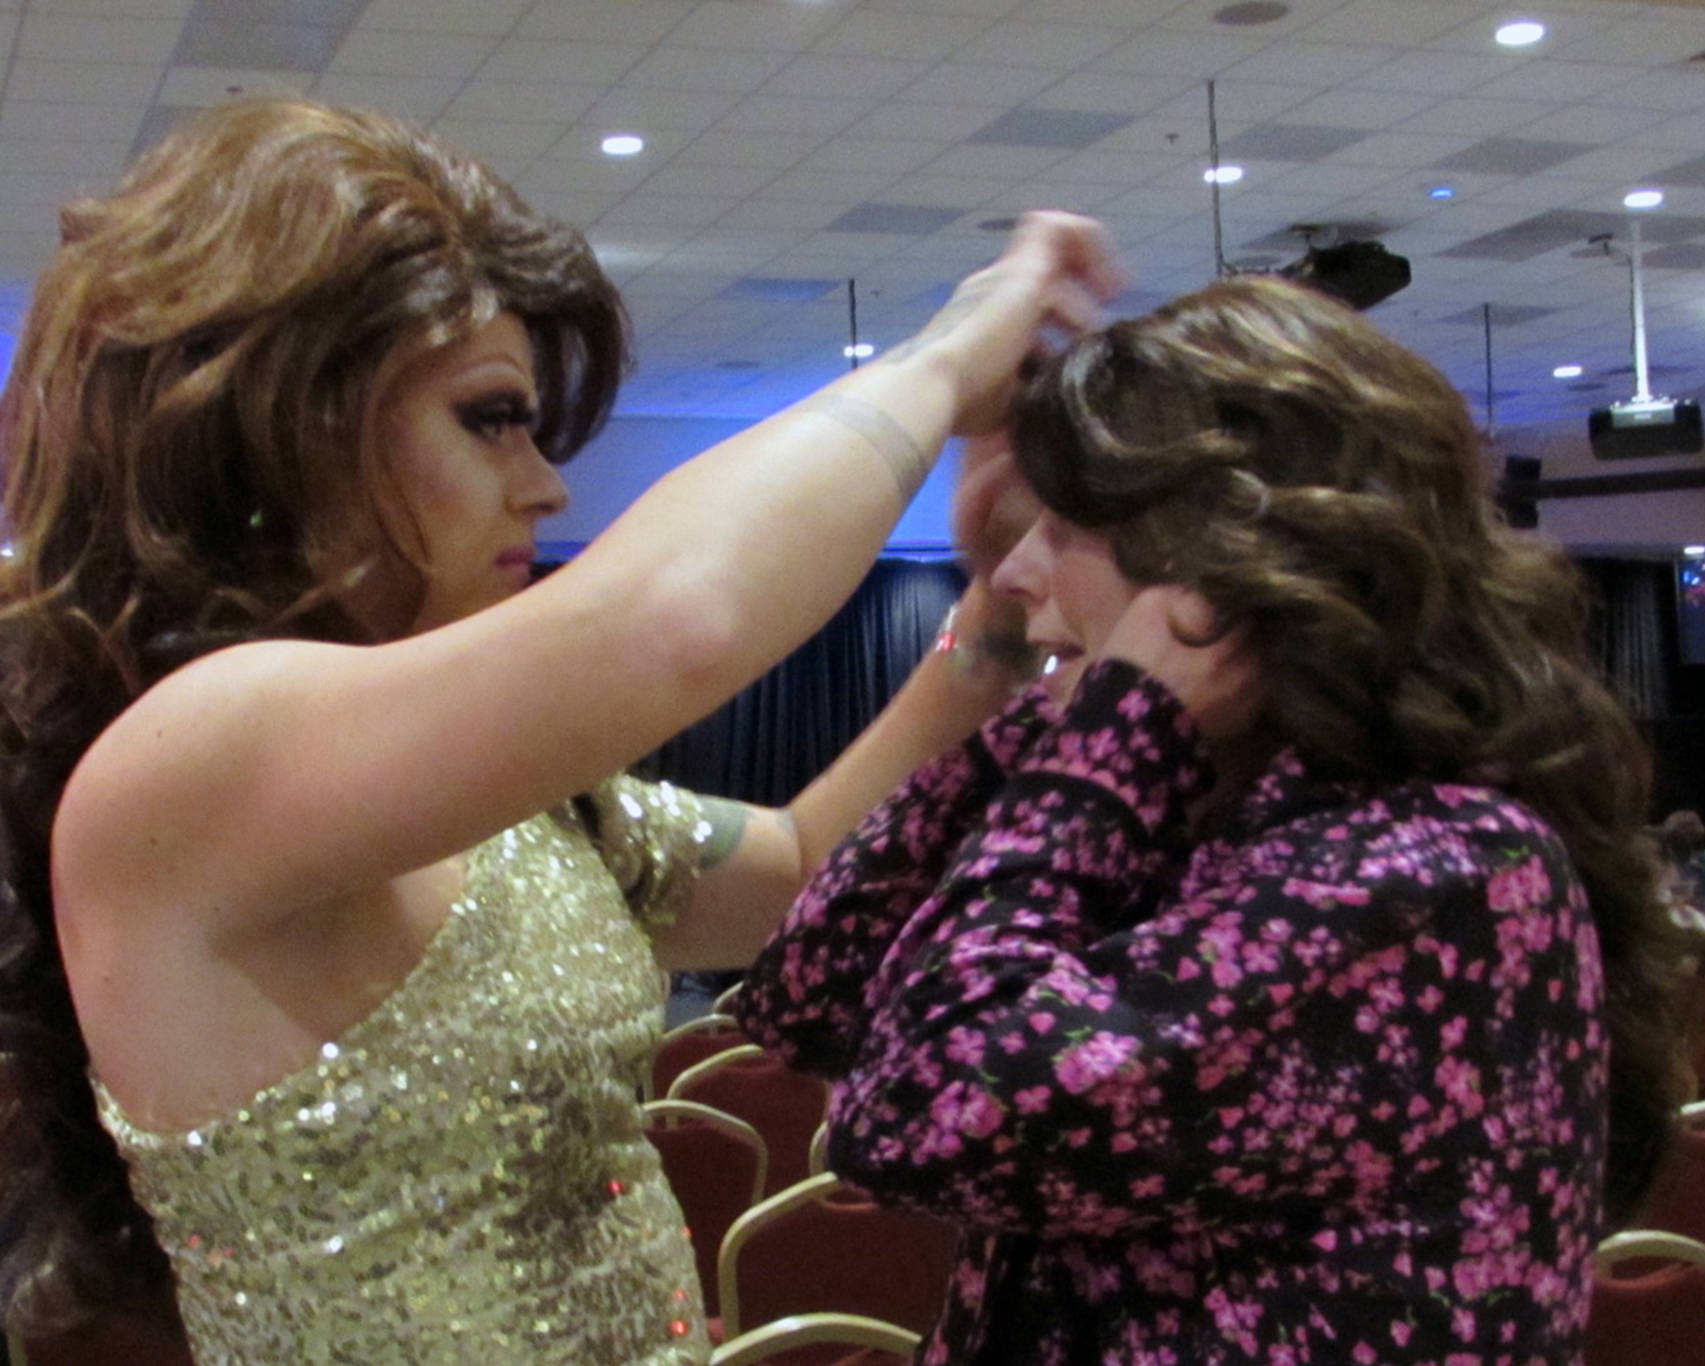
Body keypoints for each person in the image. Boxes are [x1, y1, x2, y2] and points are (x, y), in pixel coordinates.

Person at [0, 97, 1118, 1364]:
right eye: (489, 417)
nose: (544, 484)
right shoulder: (191, 756)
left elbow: (803, 865)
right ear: (288, 420)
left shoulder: (513, 797)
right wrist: (950, 353)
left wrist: (993, 627)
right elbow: (675, 620)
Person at [731, 276, 1695, 1364]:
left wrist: (1113, 728)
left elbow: (916, 1111)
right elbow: (816, 983)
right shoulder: (1191, 813)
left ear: (1218, 567)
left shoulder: (1432, 872)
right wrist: (1033, 674)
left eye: (1064, 525)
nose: (1013, 567)